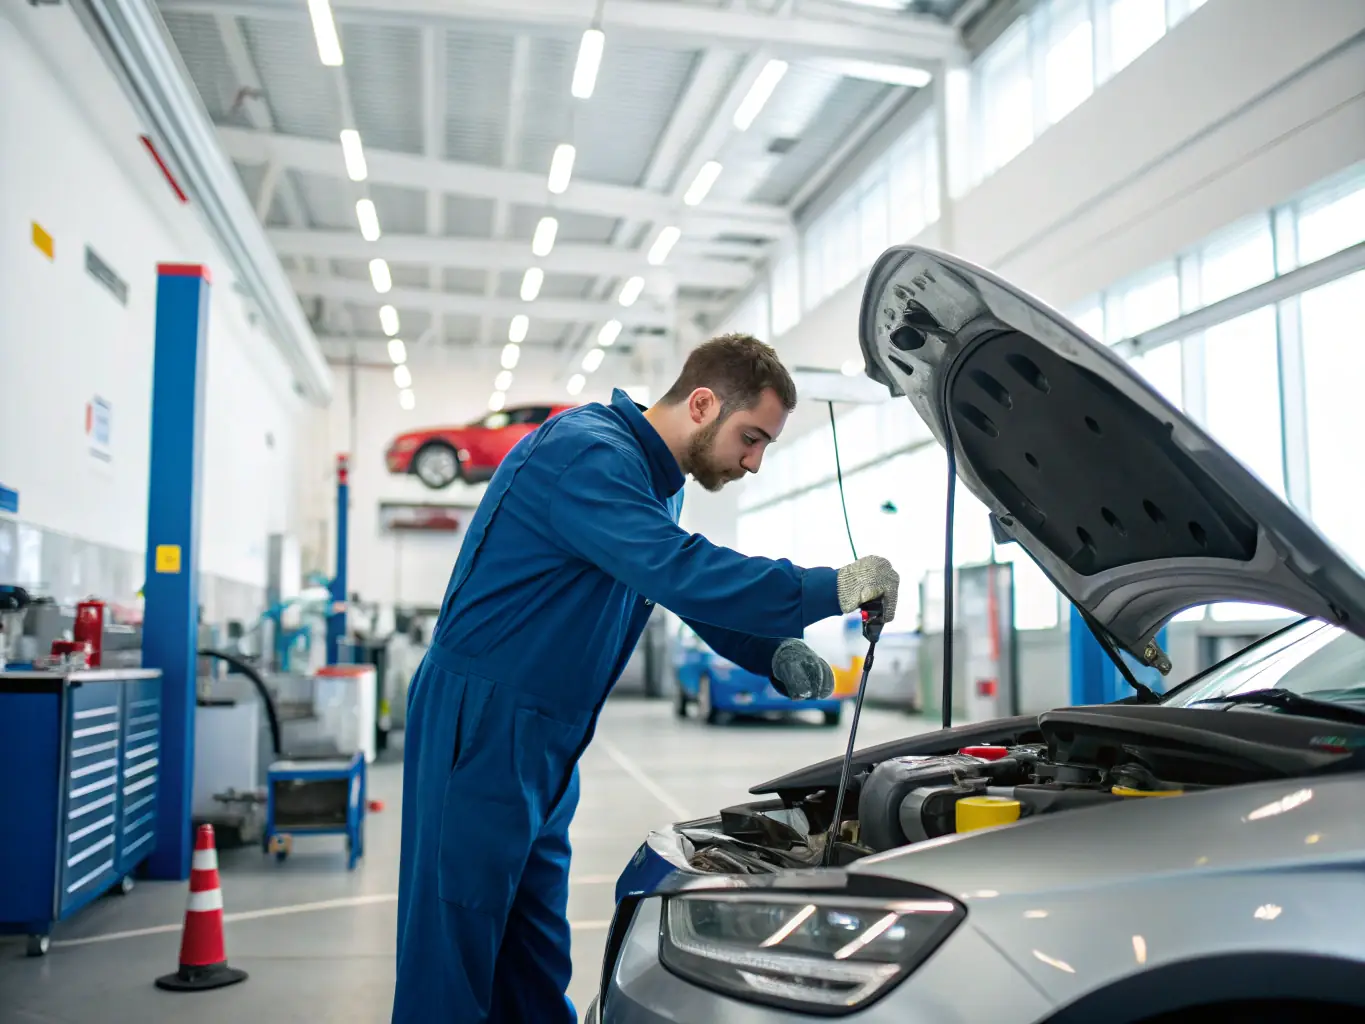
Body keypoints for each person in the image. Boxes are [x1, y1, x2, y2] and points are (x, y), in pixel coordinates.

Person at [392, 334, 900, 1023]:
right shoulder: (586, 454)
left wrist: (769, 649)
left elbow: (676, 589)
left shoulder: (651, 485)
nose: (752, 462)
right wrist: (826, 588)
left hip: (546, 736)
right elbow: (680, 569)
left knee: (531, 951)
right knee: (452, 955)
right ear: (701, 404)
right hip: (482, 722)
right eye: (750, 439)